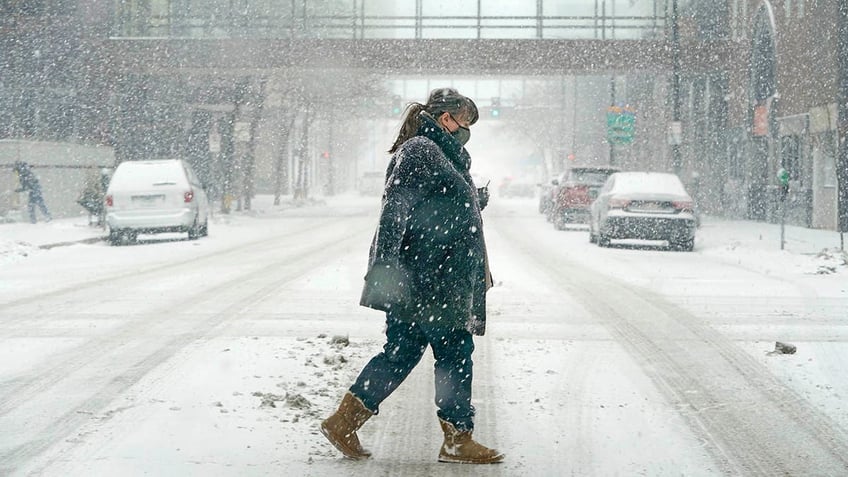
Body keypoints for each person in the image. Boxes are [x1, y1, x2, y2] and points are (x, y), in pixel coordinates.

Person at [320, 88, 502, 464]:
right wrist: (385, 266)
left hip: (428, 277)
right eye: (463, 121)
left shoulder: (440, 154)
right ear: (444, 117)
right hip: (433, 278)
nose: (465, 129)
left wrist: (469, 202)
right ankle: (457, 438)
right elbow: (395, 209)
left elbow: (432, 204)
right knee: (455, 353)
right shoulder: (422, 150)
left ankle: (344, 420)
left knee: (401, 353)